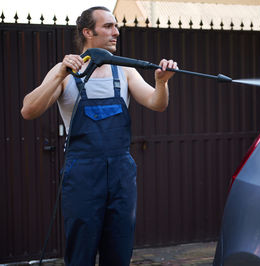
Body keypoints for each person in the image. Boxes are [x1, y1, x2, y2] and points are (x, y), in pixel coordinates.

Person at [20, 6, 177, 266]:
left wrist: (162, 83)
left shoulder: (124, 71)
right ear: (87, 32)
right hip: (82, 174)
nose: (116, 32)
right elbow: (28, 110)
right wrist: (60, 73)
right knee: (80, 252)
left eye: (115, 26)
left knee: (119, 250)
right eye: (108, 26)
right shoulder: (65, 73)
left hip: (121, 173)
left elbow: (157, 103)